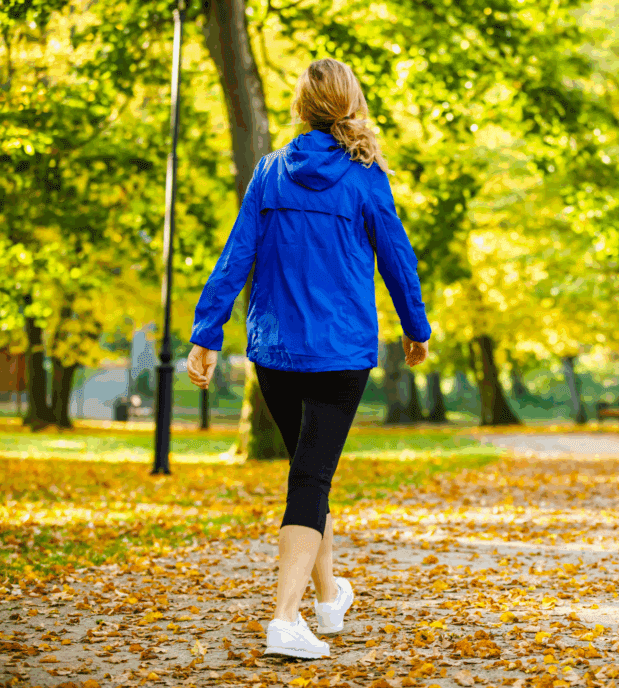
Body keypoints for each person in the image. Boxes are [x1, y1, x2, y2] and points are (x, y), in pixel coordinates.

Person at [185, 58, 431, 660]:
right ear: (351, 105)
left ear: (301, 107)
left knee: (307, 477)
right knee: (310, 479)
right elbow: (397, 257)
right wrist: (416, 328)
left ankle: (328, 598)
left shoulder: (270, 172)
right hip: (342, 352)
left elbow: (235, 255)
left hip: (276, 351)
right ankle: (285, 619)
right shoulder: (365, 175)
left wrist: (207, 332)